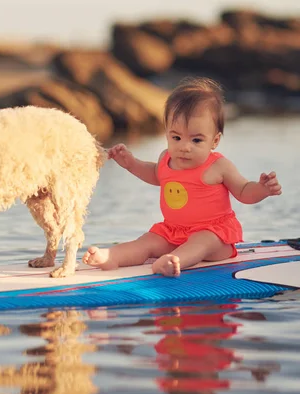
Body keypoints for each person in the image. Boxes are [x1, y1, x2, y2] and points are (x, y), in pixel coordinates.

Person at [82, 77, 282, 277]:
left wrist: (262, 189)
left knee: (201, 242)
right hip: (174, 232)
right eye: (176, 137)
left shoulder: (218, 166)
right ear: (167, 134)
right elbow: (155, 174)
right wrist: (131, 164)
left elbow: (244, 191)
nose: (184, 147)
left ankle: (174, 261)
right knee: (147, 241)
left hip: (215, 237)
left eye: (196, 140)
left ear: (215, 141)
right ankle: (112, 257)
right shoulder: (166, 158)